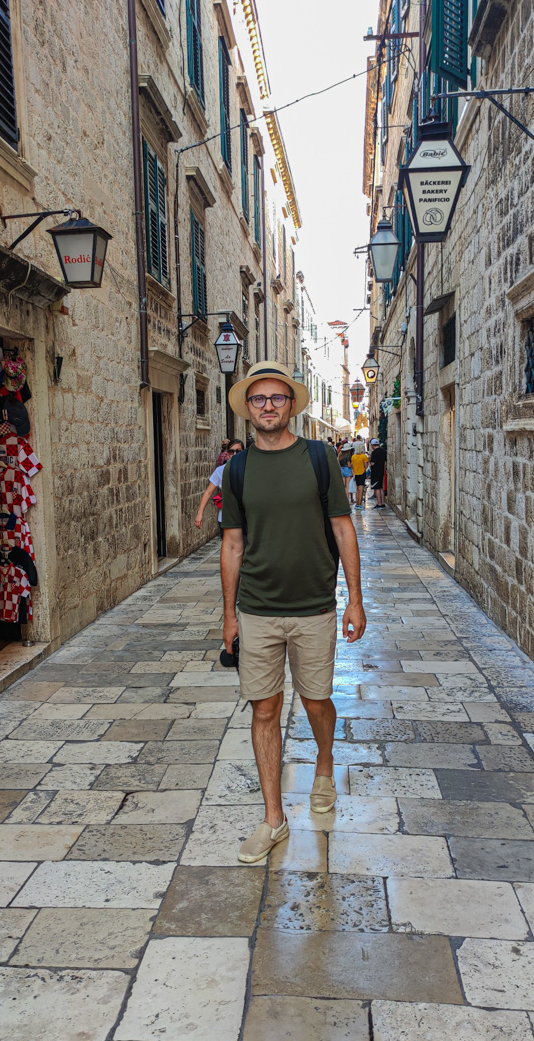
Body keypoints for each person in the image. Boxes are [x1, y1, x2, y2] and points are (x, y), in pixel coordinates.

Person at [220, 361, 367, 864]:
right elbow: (233, 544)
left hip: (314, 606)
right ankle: (273, 819)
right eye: (259, 399)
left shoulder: (319, 458)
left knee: (316, 701)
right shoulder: (238, 469)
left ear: (291, 405)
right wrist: (229, 615)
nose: (268, 406)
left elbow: (344, 529)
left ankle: (324, 763)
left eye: (276, 398)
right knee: (264, 709)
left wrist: (355, 598)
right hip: (257, 609)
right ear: (248, 408)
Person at [195, 440, 245, 537]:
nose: (235, 454)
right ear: (228, 454)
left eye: (238, 451)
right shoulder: (220, 471)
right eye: (231, 451)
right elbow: (208, 493)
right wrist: (200, 513)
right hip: (226, 518)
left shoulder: (249, 469)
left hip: (245, 518)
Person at [369, 438, 387, 509]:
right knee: (380, 488)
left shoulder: (374, 452)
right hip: (381, 470)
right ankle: (383, 503)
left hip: (375, 472)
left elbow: (372, 463)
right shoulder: (383, 451)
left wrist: (370, 460)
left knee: (376, 488)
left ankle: (379, 503)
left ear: (372, 445)